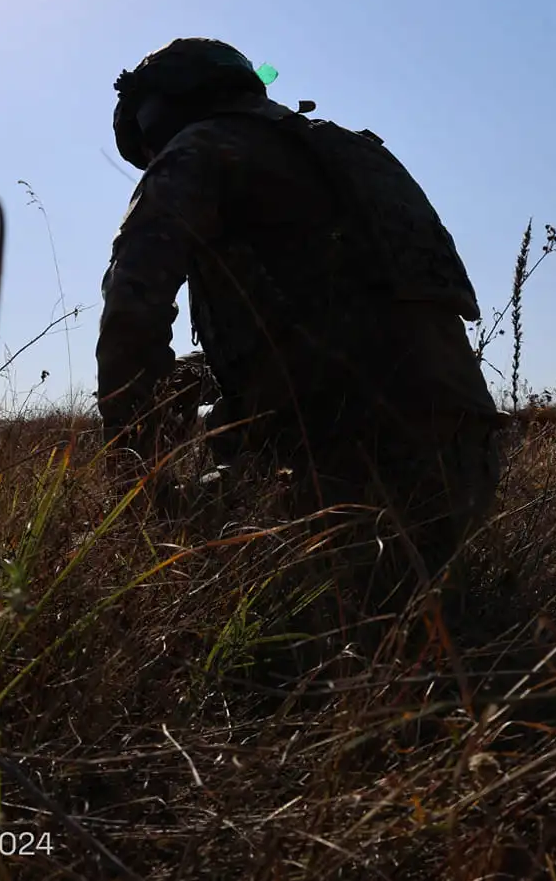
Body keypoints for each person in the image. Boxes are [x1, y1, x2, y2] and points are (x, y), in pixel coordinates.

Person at [97, 38, 505, 596]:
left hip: (334, 483)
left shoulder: (201, 148)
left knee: (167, 566)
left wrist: (129, 466)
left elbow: (131, 308)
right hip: (469, 476)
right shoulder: (356, 153)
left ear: (158, 115)